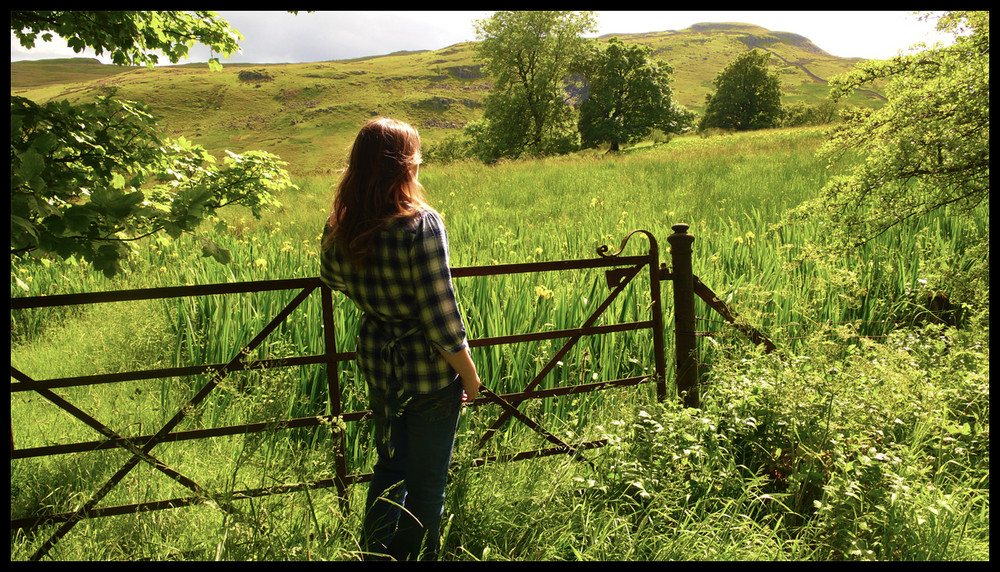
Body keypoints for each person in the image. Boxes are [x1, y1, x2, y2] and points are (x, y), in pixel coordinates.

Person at [319, 117, 481, 561]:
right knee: (428, 486)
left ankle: (376, 556)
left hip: (378, 361)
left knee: (390, 469)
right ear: (405, 164)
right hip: (427, 370)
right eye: (418, 155)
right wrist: (469, 376)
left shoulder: (344, 222)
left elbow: (331, 278)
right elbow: (441, 315)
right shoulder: (421, 224)